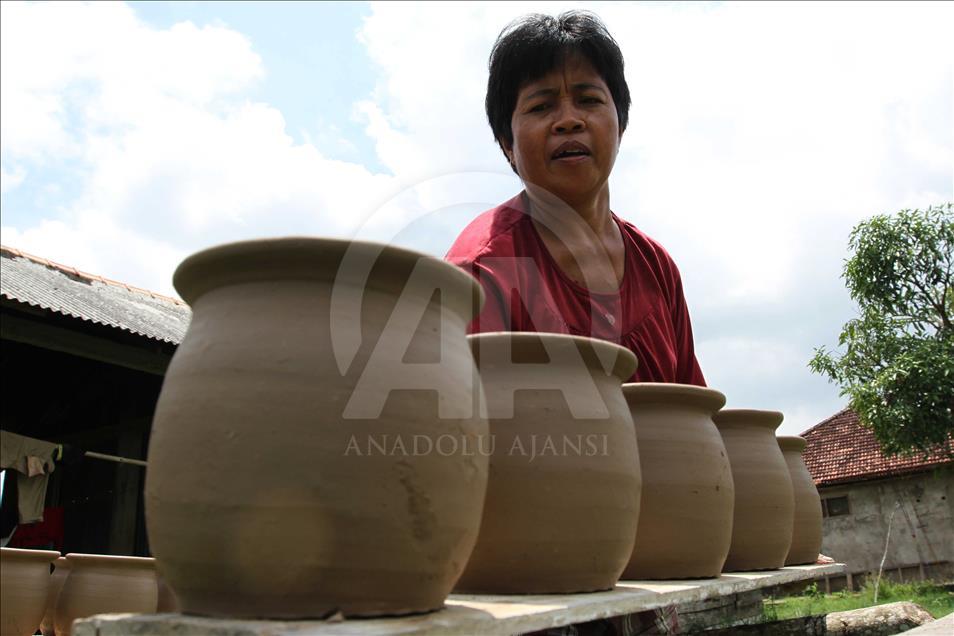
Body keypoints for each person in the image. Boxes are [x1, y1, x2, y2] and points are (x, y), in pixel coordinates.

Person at [446, 10, 705, 385]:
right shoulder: (482, 268)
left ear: (620, 124)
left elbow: (693, 416)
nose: (569, 120)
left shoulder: (657, 266)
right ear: (508, 146)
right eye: (541, 106)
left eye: (588, 99)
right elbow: (466, 427)